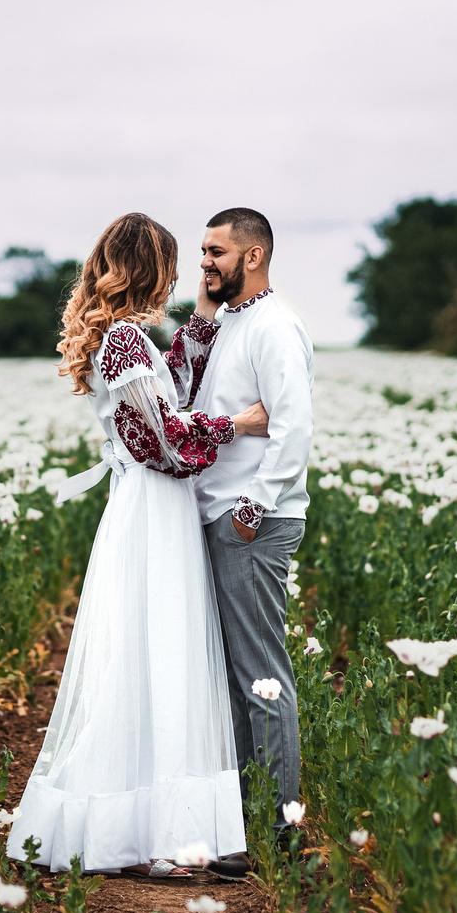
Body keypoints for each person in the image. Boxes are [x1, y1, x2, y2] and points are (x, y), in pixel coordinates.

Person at [6, 212, 270, 879]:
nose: (182, 278)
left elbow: (168, 386)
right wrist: (239, 424)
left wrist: (207, 320)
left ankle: (147, 831)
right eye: (173, 267)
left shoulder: (126, 341)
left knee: (152, 660)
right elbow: (168, 445)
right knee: (161, 660)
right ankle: (159, 839)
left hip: (149, 509)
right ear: (149, 270)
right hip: (155, 507)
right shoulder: (123, 344)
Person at [167, 207, 313, 878]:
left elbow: (294, 428)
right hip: (222, 515)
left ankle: (283, 834)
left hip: (251, 519)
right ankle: (251, 825)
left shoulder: (276, 328)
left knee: (262, 679)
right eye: (202, 251)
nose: (205, 263)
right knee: (234, 681)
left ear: (252, 256)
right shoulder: (230, 324)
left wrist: (253, 510)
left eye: (216, 252)